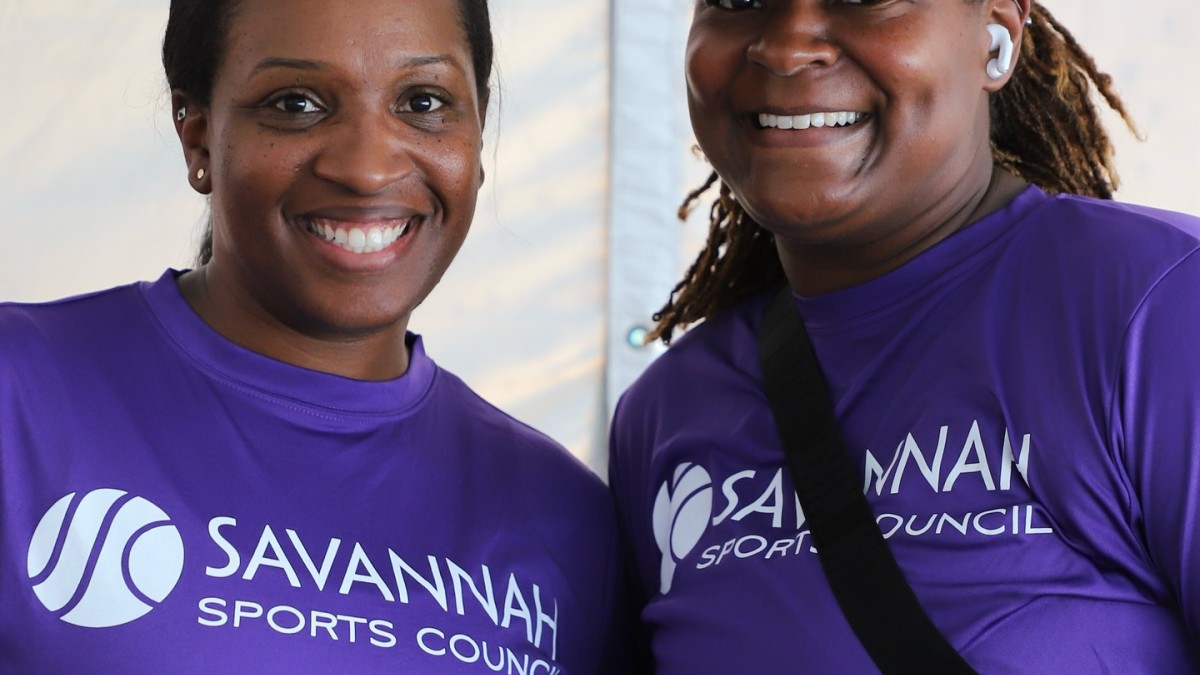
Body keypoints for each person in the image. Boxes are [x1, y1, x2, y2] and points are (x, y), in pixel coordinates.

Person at [0, 0, 626, 672]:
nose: (367, 167)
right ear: (199, 138)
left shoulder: (567, 516)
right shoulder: (21, 396)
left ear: (477, 140)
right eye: (297, 103)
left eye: (422, 102)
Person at [609, 0, 1200, 671]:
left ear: (996, 31)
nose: (787, 45)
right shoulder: (667, 413)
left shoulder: (1159, 305)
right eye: (741, 0)